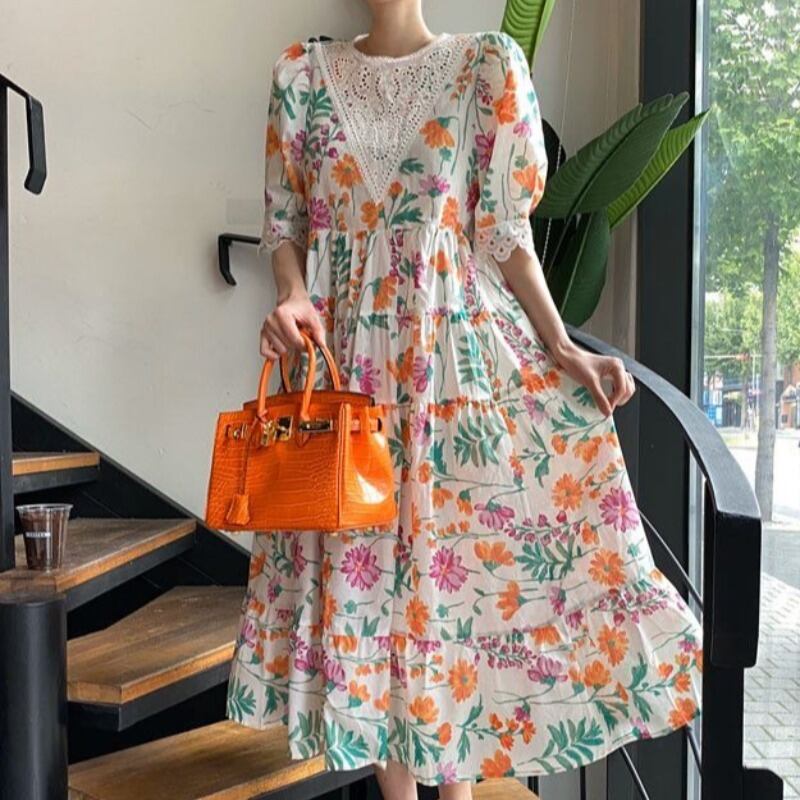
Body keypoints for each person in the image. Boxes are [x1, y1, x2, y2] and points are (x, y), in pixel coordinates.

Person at [226, 2, 704, 798]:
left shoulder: (485, 68)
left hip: (450, 376)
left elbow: (506, 236)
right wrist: (290, 294)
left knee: (452, 588)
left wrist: (562, 348)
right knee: (364, 585)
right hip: (346, 379)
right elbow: (287, 223)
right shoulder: (301, 76)